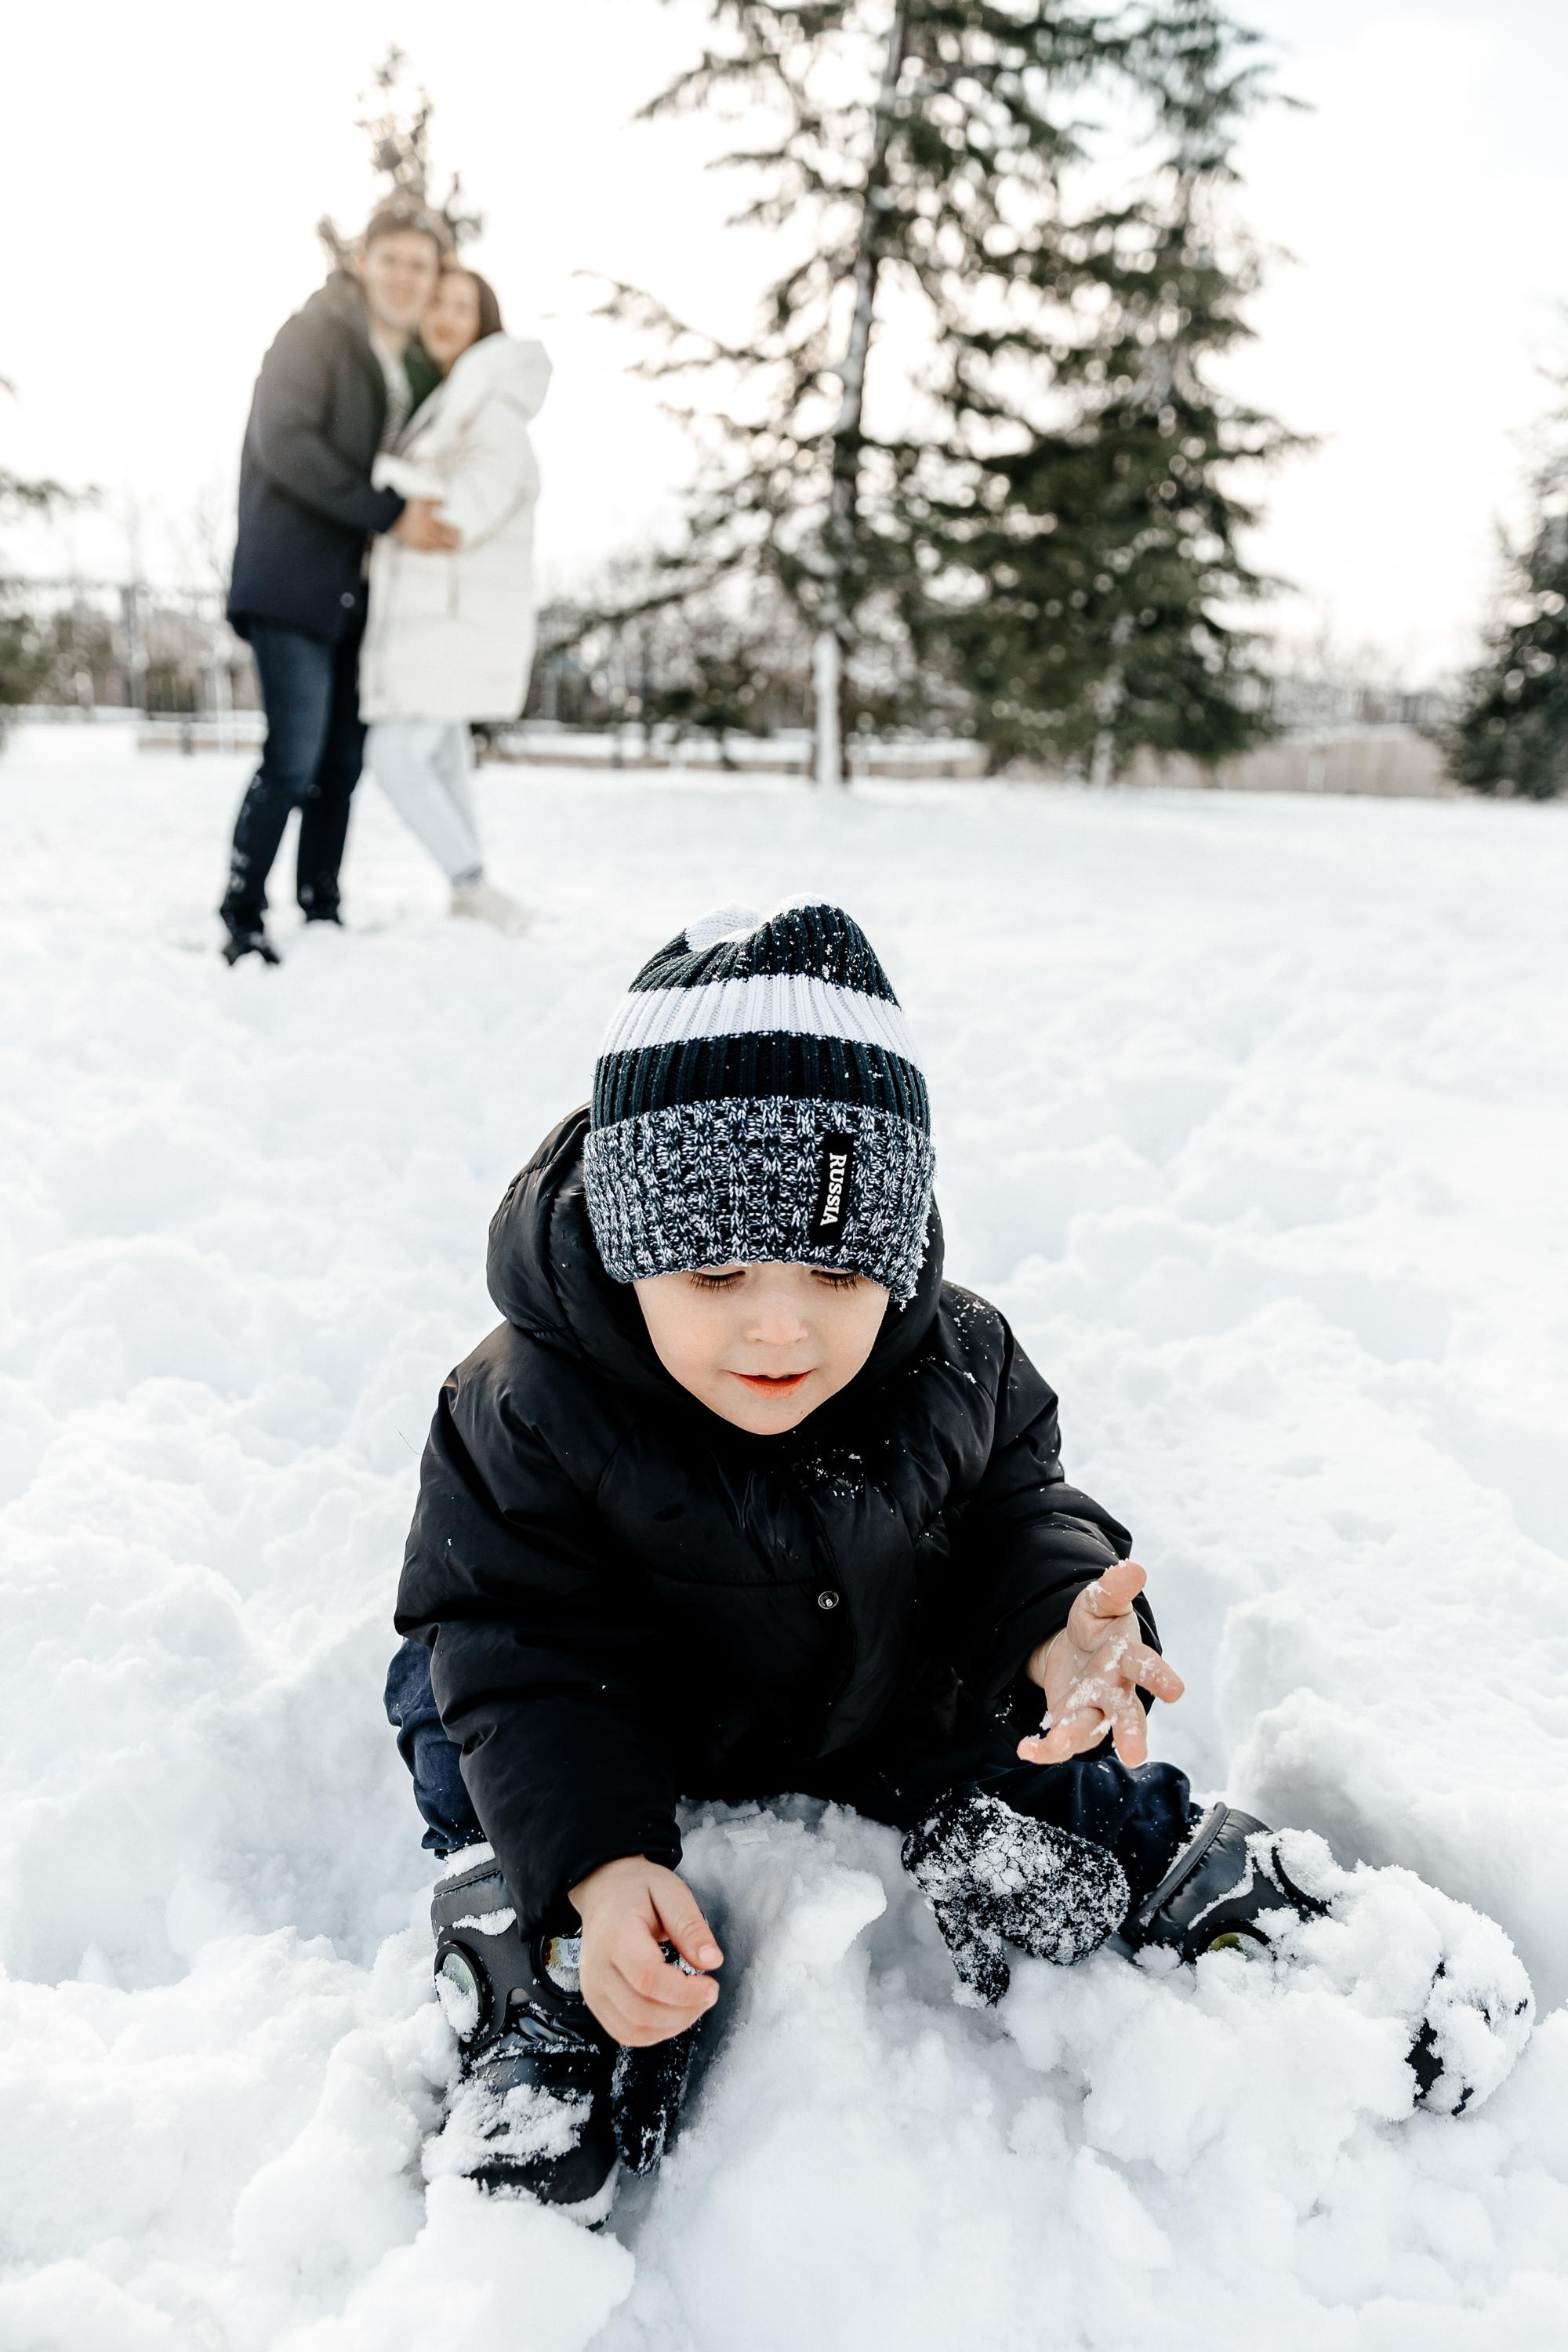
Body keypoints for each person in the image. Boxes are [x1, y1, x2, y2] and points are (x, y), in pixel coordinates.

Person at [387, 902, 1531, 2210]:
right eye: (714, 1278)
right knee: (463, 1704)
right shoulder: (527, 1406)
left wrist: (1061, 1623)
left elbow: (1017, 1510)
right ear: (632, 1248)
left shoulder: (955, 1359)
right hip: (617, 1705)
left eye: (836, 1272)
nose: (779, 1326)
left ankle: (1146, 1853)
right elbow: (511, 1636)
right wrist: (590, 1858)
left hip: (864, 1684)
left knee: (1039, 1734)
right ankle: (539, 1946)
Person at [219, 201, 459, 966]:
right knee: (292, 753)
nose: (403, 276)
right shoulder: (316, 333)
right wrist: (387, 514)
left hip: (361, 594)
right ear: (363, 260)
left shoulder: (410, 363)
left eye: (420, 266)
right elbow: (285, 444)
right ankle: (241, 914)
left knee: (340, 763)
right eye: (390, 258)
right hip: (291, 577)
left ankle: (321, 905)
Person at [360, 260, 550, 934]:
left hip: (451, 620)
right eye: (436, 303)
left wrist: (372, 481)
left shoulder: (490, 407)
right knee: (440, 758)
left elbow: (464, 511)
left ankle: (473, 885)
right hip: (438, 617)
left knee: (393, 756)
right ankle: (471, 894)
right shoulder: (451, 399)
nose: (443, 317)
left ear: (484, 323)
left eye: (461, 307)